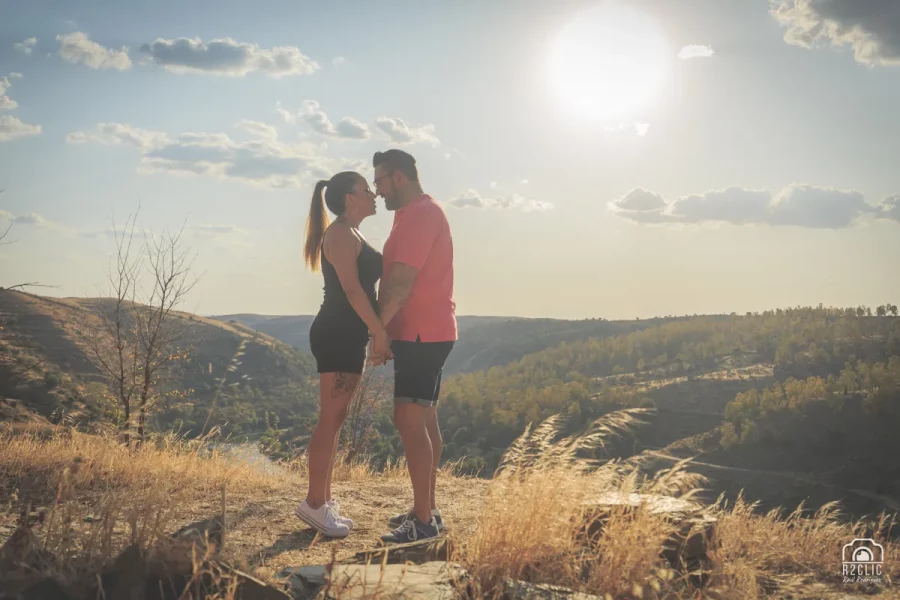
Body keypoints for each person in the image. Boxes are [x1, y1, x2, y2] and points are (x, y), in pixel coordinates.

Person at [295, 171, 391, 538]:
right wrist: (378, 331)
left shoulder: (351, 233)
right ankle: (314, 504)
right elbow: (352, 291)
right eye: (367, 190)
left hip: (345, 334)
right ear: (350, 197)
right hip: (337, 332)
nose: (374, 195)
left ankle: (323, 501)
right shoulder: (338, 233)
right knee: (330, 419)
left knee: (334, 419)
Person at [371, 149, 457, 544]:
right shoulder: (409, 215)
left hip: (422, 333)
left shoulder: (422, 213)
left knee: (408, 421)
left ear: (399, 177)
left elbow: (402, 283)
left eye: (380, 181)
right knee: (423, 419)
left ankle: (422, 522)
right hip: (424, 332)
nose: (377, 189)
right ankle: (428, 508)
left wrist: (378, 330)